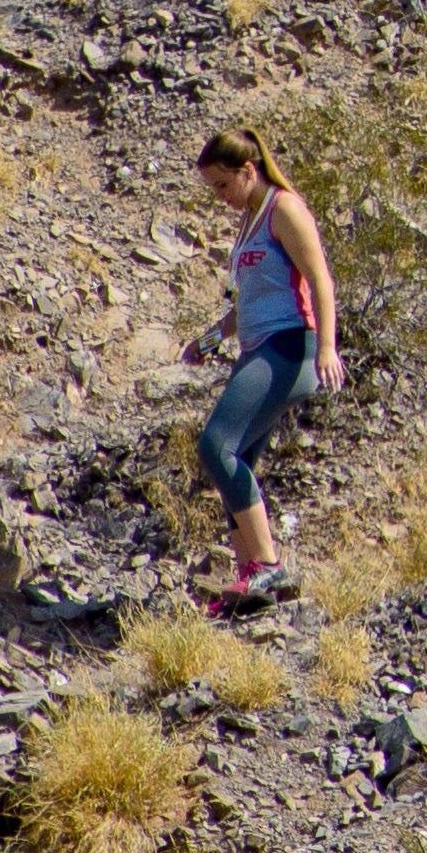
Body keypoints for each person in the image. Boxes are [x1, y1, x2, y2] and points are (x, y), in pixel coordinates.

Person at [185, 125, 339, 610]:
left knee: (215, 446)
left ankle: (268, 568)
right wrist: (208, 341)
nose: (220, 197)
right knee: (238, 462)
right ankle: (249, 576)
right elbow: (242, 306)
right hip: (255, 347)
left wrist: (328, 348)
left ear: (248, 171)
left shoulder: (283, 208)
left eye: (223, 185)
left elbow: (320, 279)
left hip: (290, 346)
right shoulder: (248, 221)